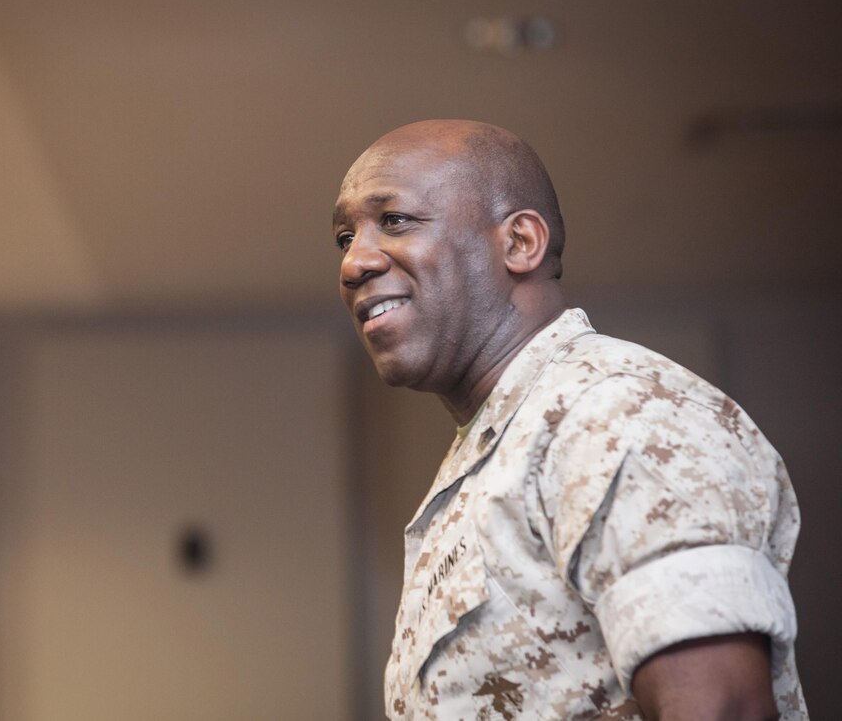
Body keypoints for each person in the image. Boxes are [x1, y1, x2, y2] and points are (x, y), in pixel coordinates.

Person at [333, 120, 806, 720]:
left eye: (394, 220)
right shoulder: (497, 451)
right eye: (345, 237)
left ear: (521, 242)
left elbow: (723, 706)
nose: (353, 264)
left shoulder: (617, 413)